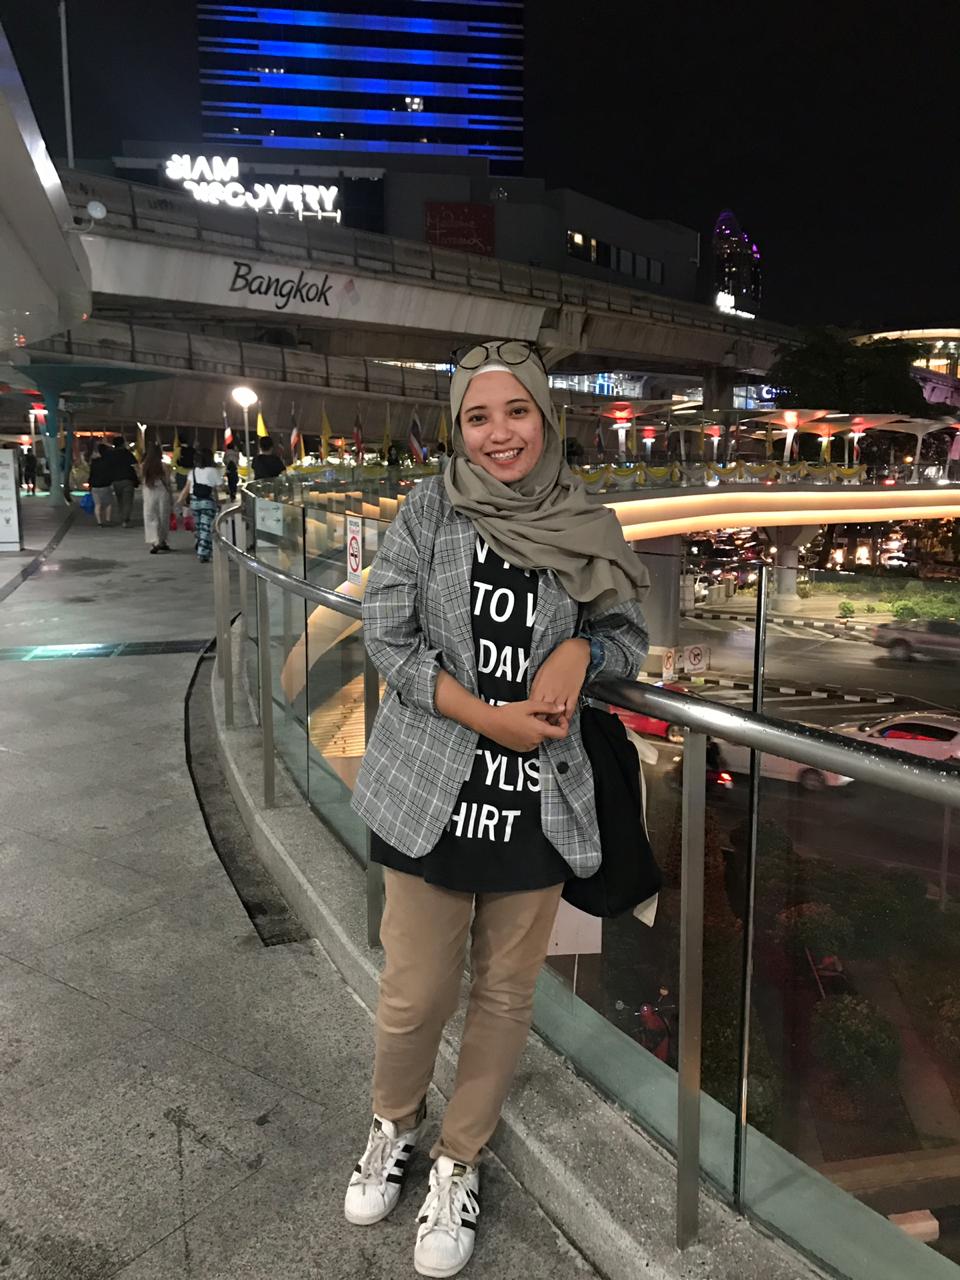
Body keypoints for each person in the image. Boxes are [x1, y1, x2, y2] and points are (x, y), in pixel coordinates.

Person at [345, 340, 649, 1276]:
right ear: (458, 429)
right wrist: (489, 719)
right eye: (478, 417)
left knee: (506, 995)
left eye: (516, 411)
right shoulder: (428, 509)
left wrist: (580, 654)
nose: (499, 433)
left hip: (538, 804)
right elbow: (388, 637)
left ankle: (459, 1160)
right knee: (415, 993)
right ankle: (392, 1126)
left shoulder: (586, 519)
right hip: (430, 791)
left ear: (546, 417)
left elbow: (627, 636)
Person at [177, 447, 221, 562]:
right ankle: (203, 553)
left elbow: (187, 488)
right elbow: (219, 488)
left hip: (194, 502)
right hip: (208, 502)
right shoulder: (213, 471)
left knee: (199, 527)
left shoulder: (193, 472)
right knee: (206, 527)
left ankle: (200, 544)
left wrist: (180, 501)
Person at [139, 444, 173, 554]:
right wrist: (171, 497)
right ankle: (162, 540)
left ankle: (154, 540)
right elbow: (167, 482)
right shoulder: (164, 466)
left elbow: (142, 480)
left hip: (148, 492)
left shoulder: (143, 466)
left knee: (150, 516)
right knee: (163, 516)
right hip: (162, 492)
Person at [110, 438, 139, 527]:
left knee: (120, 501)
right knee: (127, 501)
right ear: (122, 444)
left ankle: (122, 517)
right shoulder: (127, 453)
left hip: (115, 480)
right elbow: (135, 465)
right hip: (127, 479)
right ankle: (125, 520)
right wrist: (138, 476)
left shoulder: (111, 454)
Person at [87, 442, 115, 527]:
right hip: (105, 485)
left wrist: (90, 484)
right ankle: (108, 520)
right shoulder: (108, 461)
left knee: (97, 504)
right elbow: (111, 473)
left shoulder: (94, 462)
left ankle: (99, 522)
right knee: (108, 503)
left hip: (95, 486)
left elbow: (91, 474)